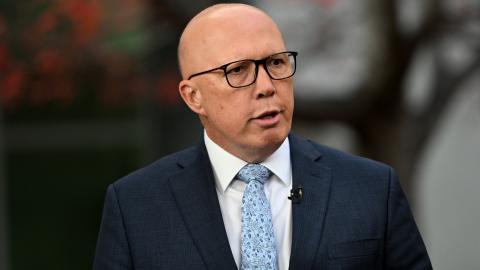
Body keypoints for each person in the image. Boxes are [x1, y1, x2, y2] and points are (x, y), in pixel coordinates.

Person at [93, 3, 432, 270]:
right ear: (193, 96)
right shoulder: (136, 206)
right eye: (238, 70)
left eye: (276, 63)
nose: (267, 87)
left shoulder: (371, 189)